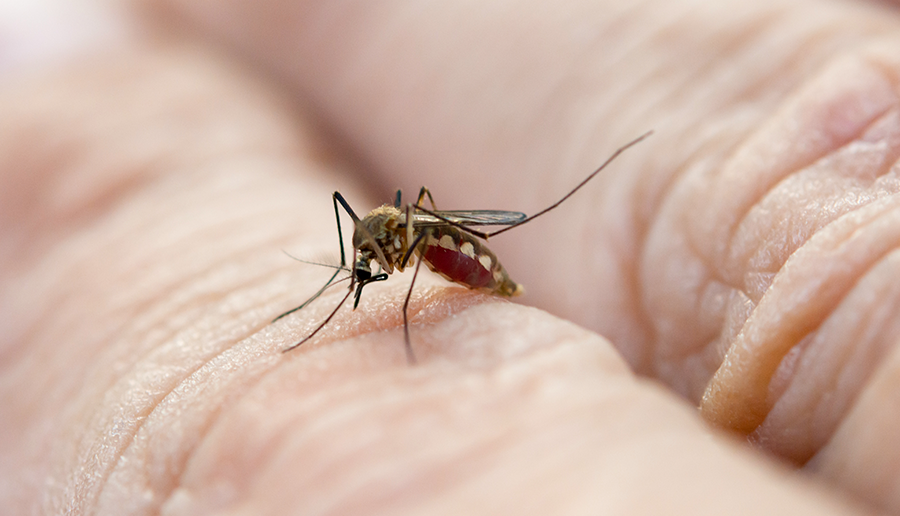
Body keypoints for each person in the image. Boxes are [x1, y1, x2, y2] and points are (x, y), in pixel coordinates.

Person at [2, 0, 897, 513]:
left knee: (424, 230)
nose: (359, 275)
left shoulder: (400, 246)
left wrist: (417, 271)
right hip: (407, 237)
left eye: (362, 269)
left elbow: (406, 233)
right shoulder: (366, 245)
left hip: (441, 238)